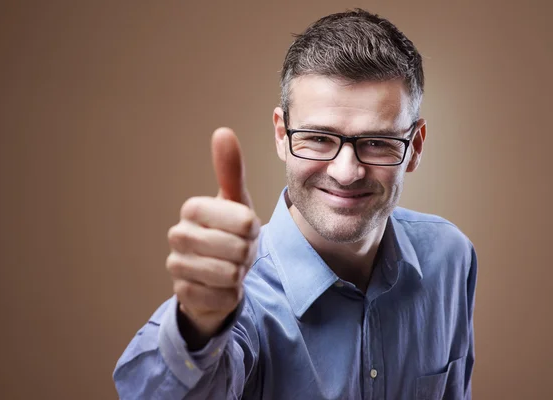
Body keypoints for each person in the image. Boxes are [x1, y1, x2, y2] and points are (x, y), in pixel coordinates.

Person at [113, 8, 477, 400]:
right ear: (282, 135)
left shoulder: (449, 257)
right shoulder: (242, 295)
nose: (346, 171)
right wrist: (198, 326)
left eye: (376, 142)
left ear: (415, 147)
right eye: (319, 138)